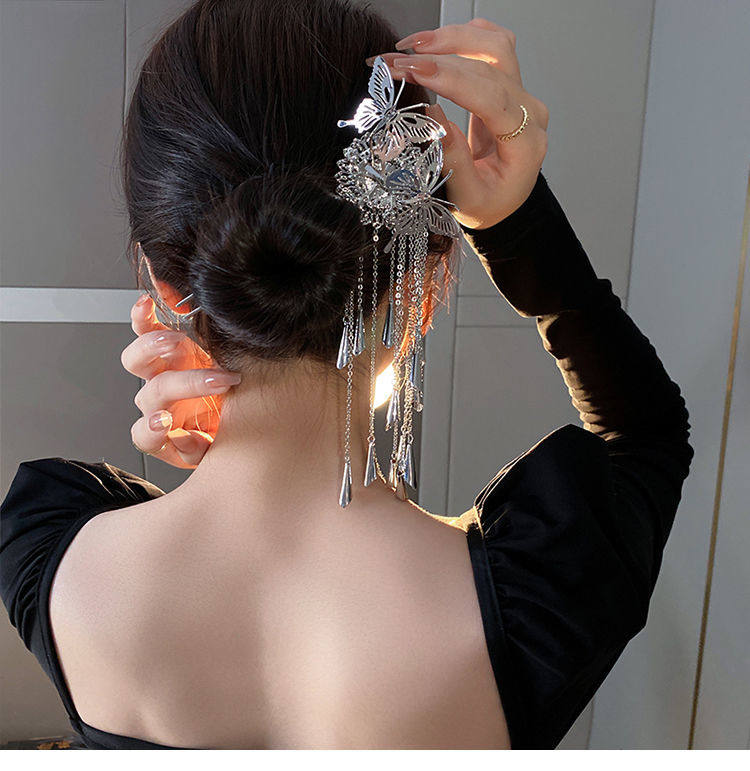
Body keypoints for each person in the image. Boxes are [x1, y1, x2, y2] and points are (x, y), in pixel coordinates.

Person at [0, 0, 693, 750]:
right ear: (423, 289)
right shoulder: (541, 598)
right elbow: (647, 431)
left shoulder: (50, 552)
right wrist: (514, 225)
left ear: (166, 288)